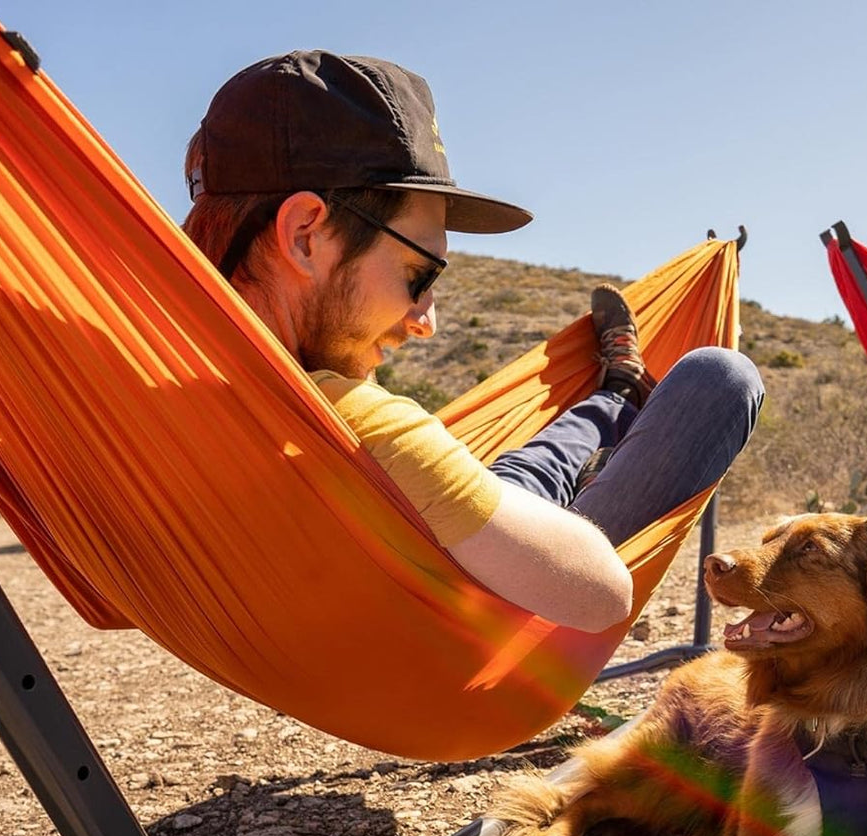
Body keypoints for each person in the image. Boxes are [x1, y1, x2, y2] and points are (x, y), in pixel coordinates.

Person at [181, 52, 762, 634]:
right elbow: (603, 594)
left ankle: (613, 393)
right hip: (497, 623)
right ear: (306, 234)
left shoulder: (132, 394)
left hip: (422, 564)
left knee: (533, 469)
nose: (426, 321)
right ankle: (612, 402)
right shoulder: (357, 427)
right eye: (420, 273)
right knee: (720, 378)